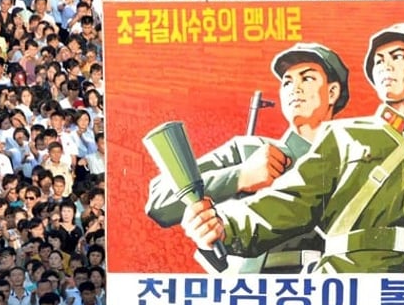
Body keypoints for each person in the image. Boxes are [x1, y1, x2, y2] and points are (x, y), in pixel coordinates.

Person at [182, 24, 404, 273]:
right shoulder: (344, 135)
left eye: (398, 56)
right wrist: (225, 225)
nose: (385, 66)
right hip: (345, 280)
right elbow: (290, 202)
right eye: (379, 60)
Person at [146, 43, 350, 273]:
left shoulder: (353, 160)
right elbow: (160, 200)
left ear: (332, 92)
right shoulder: (249, 150)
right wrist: (240, 176)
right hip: (254, 286)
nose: (295, 88)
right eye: (287, 82)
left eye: (307, 78)